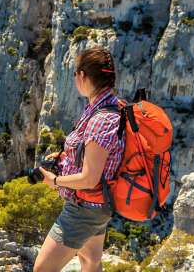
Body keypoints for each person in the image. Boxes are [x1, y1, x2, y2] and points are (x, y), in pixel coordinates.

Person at [33, 46, 123, 272]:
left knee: (42, 269)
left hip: (84, 208)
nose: (74, 78)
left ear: (82, 75)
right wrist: (65, 156)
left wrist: (53, 181)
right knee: (90, 262)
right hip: (99, 205)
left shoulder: (101, 119)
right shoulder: (106, 105)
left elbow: (90, 178)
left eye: (75, 73)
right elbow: (96, 153)